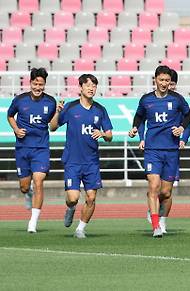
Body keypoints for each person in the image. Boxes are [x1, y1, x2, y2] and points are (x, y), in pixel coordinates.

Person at [129, 65, 190, 237]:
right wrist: (135, 128)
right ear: (155, 80)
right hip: (152, 149)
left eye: (167, 80)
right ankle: (156, 226)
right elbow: (139, 116)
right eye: (161, 80)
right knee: (154, 186)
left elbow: (189, 116)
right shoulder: (146, 99)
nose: (164, 83)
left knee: (166, 192)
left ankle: (161, 219)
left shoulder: (177, 99)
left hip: (171, 150)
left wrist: (181, 128)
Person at [48, 74, 113, 238]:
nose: (91, 88)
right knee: (73, 198)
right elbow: (53, 127)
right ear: (81, 87)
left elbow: (110, 136)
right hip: (73, 161)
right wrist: (57, 112)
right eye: (88, 85)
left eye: (94, 85)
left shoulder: (100, 109)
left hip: (91, 162)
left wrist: (103, 134)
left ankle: (80, 229)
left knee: (91, 198)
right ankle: (70, 208)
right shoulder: (70, 108)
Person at [6, 68, 57, 233]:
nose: (38, 87)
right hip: (22, 148)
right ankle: (28, 194)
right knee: (24, 186)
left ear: (44, 84)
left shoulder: (50, 102)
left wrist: (58, 113)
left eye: (41, 84)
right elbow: (10, 116)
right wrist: (16, 129)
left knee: (39, 181)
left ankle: (32, 223)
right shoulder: (20, 100)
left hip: (41, 149)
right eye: (35, 84)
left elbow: (52, 125)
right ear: (30, 83)